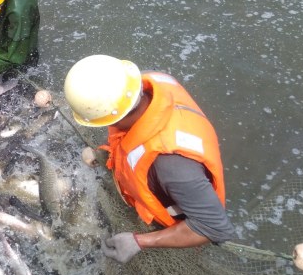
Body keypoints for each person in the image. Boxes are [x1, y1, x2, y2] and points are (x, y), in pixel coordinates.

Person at [63, 54, 235, 263]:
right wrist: (104, 152)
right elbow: (130, 141)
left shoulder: (172, 165)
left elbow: (214, 228)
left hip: (181, 222)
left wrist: (140, 241)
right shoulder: (143, 85)